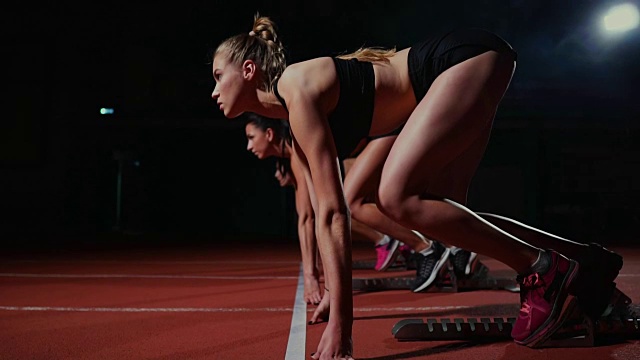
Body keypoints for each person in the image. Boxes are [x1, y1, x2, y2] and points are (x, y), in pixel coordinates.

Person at [211, 14, 623, 359]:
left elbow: (335, 212)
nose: (213, 90)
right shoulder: (294, 119)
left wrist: (342, 327)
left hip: (457, 61)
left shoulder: (295, 89)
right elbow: (321, 212)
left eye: (217, 76)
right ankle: (584, 262)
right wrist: (330, 291)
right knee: (450, 215)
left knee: (396, 196)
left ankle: (544, 270)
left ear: (249, 71)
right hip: (465, 63)